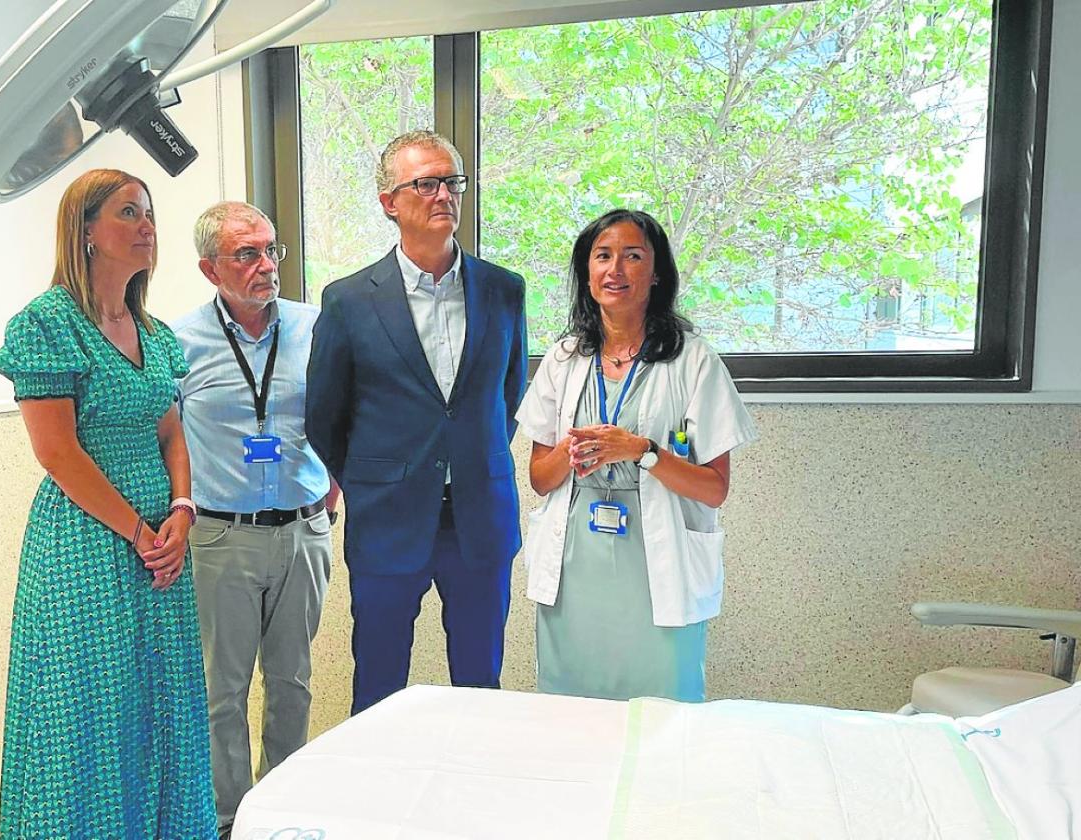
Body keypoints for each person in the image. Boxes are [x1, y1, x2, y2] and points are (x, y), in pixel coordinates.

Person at [0, 169, 216, 838]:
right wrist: (138, 529)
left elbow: (171, 428)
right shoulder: (47, 322)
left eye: (148, 213)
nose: (147, 226)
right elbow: (57, 453)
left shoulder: (152, 330)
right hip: (86, 545)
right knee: (88, 710)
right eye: (128, 213)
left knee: (159, 703)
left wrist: (181, 510)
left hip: (160, 551)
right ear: (85, 231)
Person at [306, 130, 527, 714]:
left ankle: (474, 799)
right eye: (424, 184)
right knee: (378, 685)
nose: (442, 195)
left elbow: (506, 399)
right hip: (388, 520)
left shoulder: (504, 290)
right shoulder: (348, 300)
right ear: (389, 203)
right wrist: (382, 479)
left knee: (481, 684)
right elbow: (324, 416)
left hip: (480, 515)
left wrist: (466, 459)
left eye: (450, 181)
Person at [515, 208, 758, 702]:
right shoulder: (564, 358)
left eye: (632, 256)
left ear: (657, 272)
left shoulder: (693, 359)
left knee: (664, 708)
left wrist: (643, 451)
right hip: (576, 564)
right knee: (570, 710)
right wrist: (573, 448)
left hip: (654, 565)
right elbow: (540, 479)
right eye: (603, 256)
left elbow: (714, 489)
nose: (615, 270)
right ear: (587, 272)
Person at [172, 201, 336, 839]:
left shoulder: (316, 327)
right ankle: (229, 821)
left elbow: (346, 408)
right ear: (211, 268)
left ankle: (284, 814)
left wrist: (334, 484)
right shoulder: (177, 342)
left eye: (272, 250)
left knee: (292, 683)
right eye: (247, 254)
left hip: (302, 531)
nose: (266, 265)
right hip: (219, 537)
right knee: (223, 694)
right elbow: (167, 438)